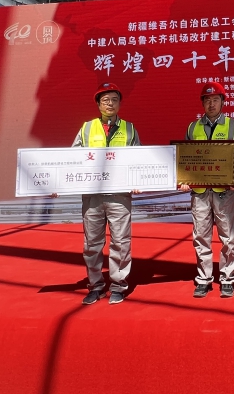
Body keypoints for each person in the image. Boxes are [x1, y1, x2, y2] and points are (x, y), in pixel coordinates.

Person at [73, 82, 141, 306]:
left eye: (114, 100)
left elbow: (139, 160)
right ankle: (95, 286)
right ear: (98, 104)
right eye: (105, 100)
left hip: (119, 196)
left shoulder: (130, 129)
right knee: (91, 244)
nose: (110, 104)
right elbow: (72, 159)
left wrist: (138, 181)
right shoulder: (86, 128)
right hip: (92, 196)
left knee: (121, 242)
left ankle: (118, 285)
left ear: (119, 103)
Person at [178, 82, 234, 298]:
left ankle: (227, 278)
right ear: (202, 103)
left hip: (224, 192)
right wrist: (184, 179)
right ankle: (204, 279)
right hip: (200, 193)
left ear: (222, 102)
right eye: (207, 100)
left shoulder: (232, 126)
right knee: (201, 237)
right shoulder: (193, 127)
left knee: (228, 238)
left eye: (215, 100)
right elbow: (185, 159)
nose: (211, 104)